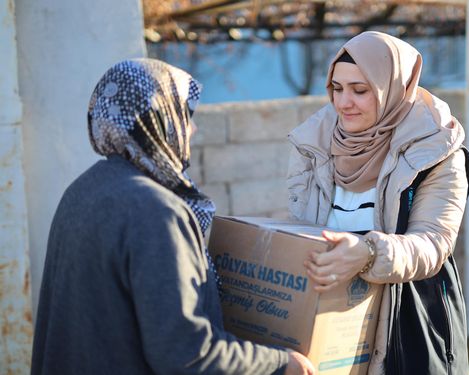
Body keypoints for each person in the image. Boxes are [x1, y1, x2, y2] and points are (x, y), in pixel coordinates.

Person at [31, 58, 315, 375]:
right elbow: (188, 354)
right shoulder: (156, 210)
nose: (191, 129)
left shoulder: (81, 192)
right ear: (160, 119)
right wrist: (282, 364)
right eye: (185, 115)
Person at [287, 32, 469, 374]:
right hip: (329, 326)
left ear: (393, 88)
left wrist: (368, 253)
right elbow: (301, 229)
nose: (344, 103)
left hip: (404, 324)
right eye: (337, 88)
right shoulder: (313, 143)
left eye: (360, 90)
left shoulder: (437, 150)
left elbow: (433, 243)